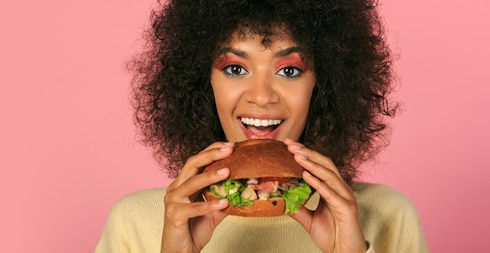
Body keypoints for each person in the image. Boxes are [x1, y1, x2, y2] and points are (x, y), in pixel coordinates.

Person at [96, 0, 428, 252]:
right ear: (201, 81)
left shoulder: (387, 216)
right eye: (236, 69)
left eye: (289, 70)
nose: (261, 96)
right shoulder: (136, 222)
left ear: (323, 84)